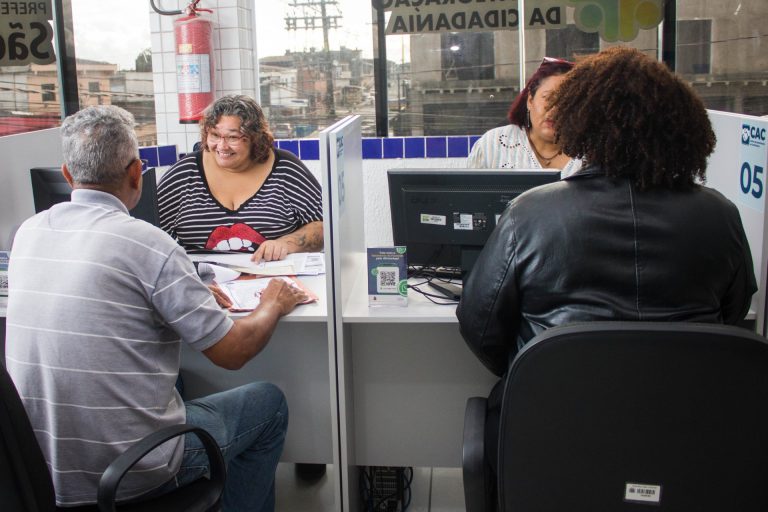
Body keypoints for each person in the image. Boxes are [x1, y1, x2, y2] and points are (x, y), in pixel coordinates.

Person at [456, 46, 756, 494]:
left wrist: (537, 364)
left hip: (552, 435)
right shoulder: (720, 215)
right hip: (689, 443)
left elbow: (480, 326)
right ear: (681, 126)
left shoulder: (530, 213)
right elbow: (731, 319)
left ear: (582, 121)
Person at [6, 105, 307, 511]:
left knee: (179, 379)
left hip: (41, 470)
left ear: (66, 173)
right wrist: (273, 301)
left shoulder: (28, 234)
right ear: (136, 173)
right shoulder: (148, 244)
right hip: (131, 473)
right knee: (268, 403)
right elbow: (233, 353)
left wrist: (186, 288)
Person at [158, 94, 323, 262]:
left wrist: (287, 244)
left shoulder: (286, 169)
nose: (222, 146)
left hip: (276, 282)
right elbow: (150, 234)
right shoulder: (184, 173)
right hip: (201, 284)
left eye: (233, 137)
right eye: (214, 135)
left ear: (255, 138)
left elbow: (325, 225)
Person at [467, 57, 582, 176]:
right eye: (548, 98)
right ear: (530, 101)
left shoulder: (591, 153)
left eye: (566, 102)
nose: (554, 110)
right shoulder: (492, 145)